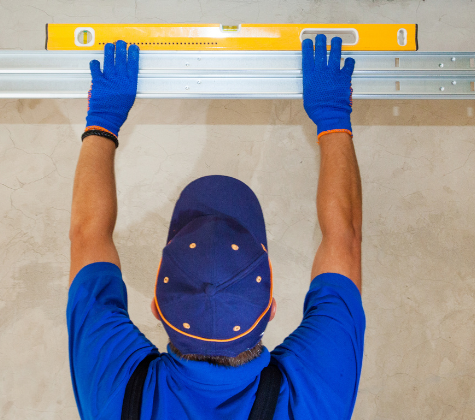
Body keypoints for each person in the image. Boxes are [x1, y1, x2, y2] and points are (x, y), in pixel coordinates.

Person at [67, 34, 365, 420]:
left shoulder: (118, 393)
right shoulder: (112, 396)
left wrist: (104, 119)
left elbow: (87, 235)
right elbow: (345, 239)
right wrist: (331, 115)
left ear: (157, 306)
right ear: (271, 307)